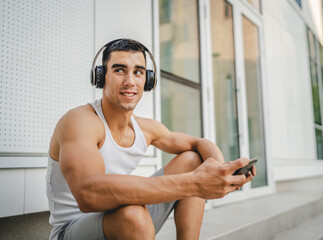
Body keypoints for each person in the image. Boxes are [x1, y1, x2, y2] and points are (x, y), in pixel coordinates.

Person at [46, 38, 256, 240]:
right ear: (100, 77)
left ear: (148, 80)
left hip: (123, 217)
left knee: (192, 160)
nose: (130, 81)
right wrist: (195, 183)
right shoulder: (79, 121)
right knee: (133, 215)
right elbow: (88, 194)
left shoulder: (145, 128)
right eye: (119, 70)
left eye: (138, 72)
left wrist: (217, 169)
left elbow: (198, 144)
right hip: (73, 230)